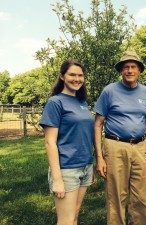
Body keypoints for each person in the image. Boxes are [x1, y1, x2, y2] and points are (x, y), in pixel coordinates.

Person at [93, 50, 146, 225]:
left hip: (140, 147)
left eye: (133, 67)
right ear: (121, 70)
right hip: (115, 146)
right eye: (126, 67)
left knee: (141, 198)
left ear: (139, 71)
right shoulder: (109, 91)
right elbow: (98, 124)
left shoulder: (145, 92)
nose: (129, 70)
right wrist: (99, 157)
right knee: (116, 197)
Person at [40, 59, 94, 225]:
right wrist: (57, 179)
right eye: (72, 74)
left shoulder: (82, 103)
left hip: (85, 167)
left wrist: (90, 167)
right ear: (62, 76)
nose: (77, 79)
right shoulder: (55, 102)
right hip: (66, 169)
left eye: (80, 75)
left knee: (75, 216)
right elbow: (50, 142)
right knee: (66, 221)